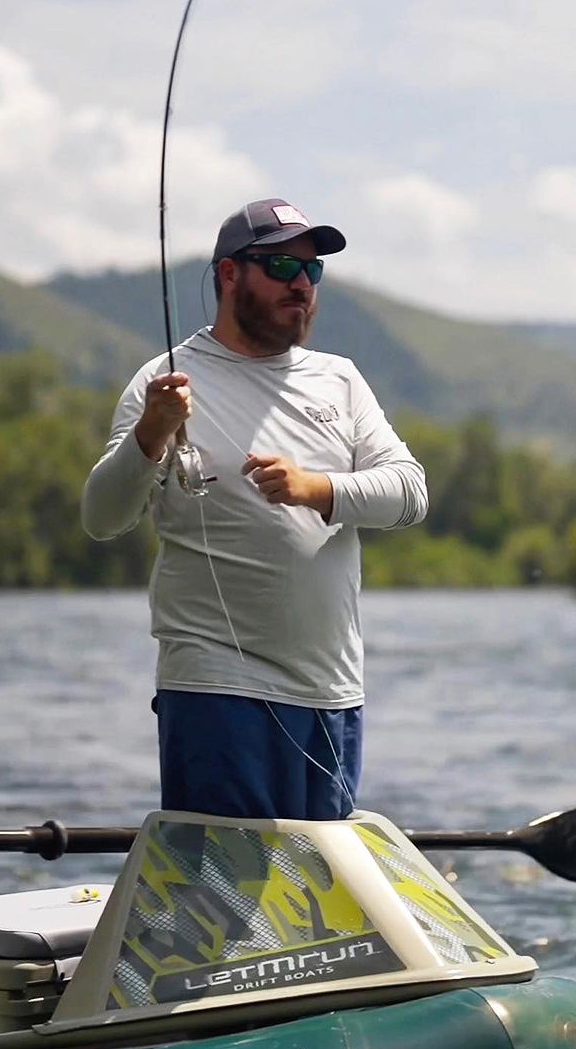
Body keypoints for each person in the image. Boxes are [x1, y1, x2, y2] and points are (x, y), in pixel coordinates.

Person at [82, 198, 428, 821]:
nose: (301, 284)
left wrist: (317, 488)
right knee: (225, 903)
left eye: (312, 271)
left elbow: (409, 492)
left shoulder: (340, 380)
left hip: (332, 693)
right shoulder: (163, 381)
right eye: (281, 267)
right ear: (229, 275)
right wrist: (150, 437)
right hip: (216, 690)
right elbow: (102, 518)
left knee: (314, 908)